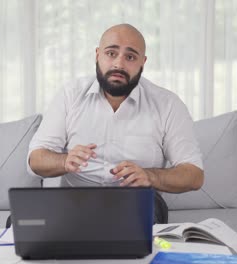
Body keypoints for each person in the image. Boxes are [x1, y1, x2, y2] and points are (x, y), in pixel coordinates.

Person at [27, 24, 204, 223]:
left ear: (142, 63)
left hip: (136, 202)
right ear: (97, 55)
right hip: (74, 198)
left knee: (136, 223)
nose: (119, 64)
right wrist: (64, 161)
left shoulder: (168, 104)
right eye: (111, 53)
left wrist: (150, 176)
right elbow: (36, 159)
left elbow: (194, 175)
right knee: (22, 220)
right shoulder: (71, 94)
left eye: (130, 57)